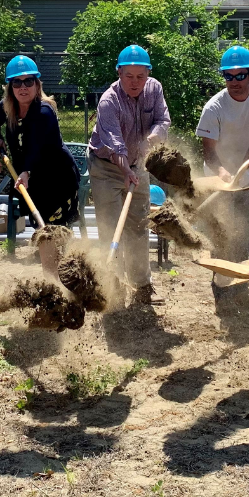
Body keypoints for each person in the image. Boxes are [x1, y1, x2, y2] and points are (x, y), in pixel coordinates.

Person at [88, 45, 171, 306]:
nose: (135, 82)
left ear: (147, 74)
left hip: (138, 164)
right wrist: (125, 170)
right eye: (129, 76)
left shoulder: (154, 89)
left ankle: (142, 287)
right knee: (111, 227)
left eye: (140, 76)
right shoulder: (108, 101)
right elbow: (114, 144)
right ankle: (113, 289)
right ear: (119, 73)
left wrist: (152, 139)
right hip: (106, 167)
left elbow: (162, 121)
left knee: (138, 226)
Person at [196, 45, 249, 305]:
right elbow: (209, 153)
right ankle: (220, 285)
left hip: (247, 177)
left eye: (241, 75)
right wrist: (224, 175)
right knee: (222, 234)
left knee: (244, 232)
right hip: (219, 181)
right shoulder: (214, 108)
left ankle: (239, 283)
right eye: (229, 76)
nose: (235, 82)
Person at [0, 55, 80, 227]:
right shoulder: (8, 106)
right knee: (40, 225)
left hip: (57, 177)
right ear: (10, 87)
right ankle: (48, 253)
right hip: (31, 178)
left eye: (28, 81)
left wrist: (26, 171)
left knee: (53, 227)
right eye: (17, 82)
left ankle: (66, 252)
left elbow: (35, 146)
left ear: (37, 84)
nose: (23, 87)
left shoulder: (44, 111)